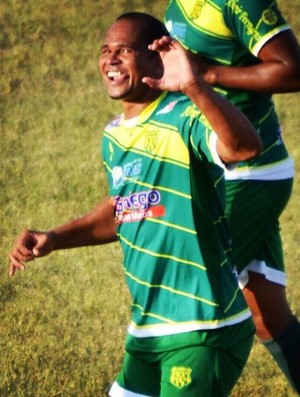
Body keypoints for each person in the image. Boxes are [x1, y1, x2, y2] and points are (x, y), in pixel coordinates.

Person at [8, 12, 263, 397]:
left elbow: (245, 147)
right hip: (148, 330)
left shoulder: (185, 118)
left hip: (202, 327)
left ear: (154, 59)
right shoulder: (114, 137)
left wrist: (194, 86)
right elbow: (124, 209)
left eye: (123, 50)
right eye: (106, 50)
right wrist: (55, 239)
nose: (110, 59)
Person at [164, 0, 300, 393]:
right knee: (268, 316)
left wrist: (207, 73)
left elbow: (292, 69)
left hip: (249, 173)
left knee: (188, 304)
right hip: (220, 168)